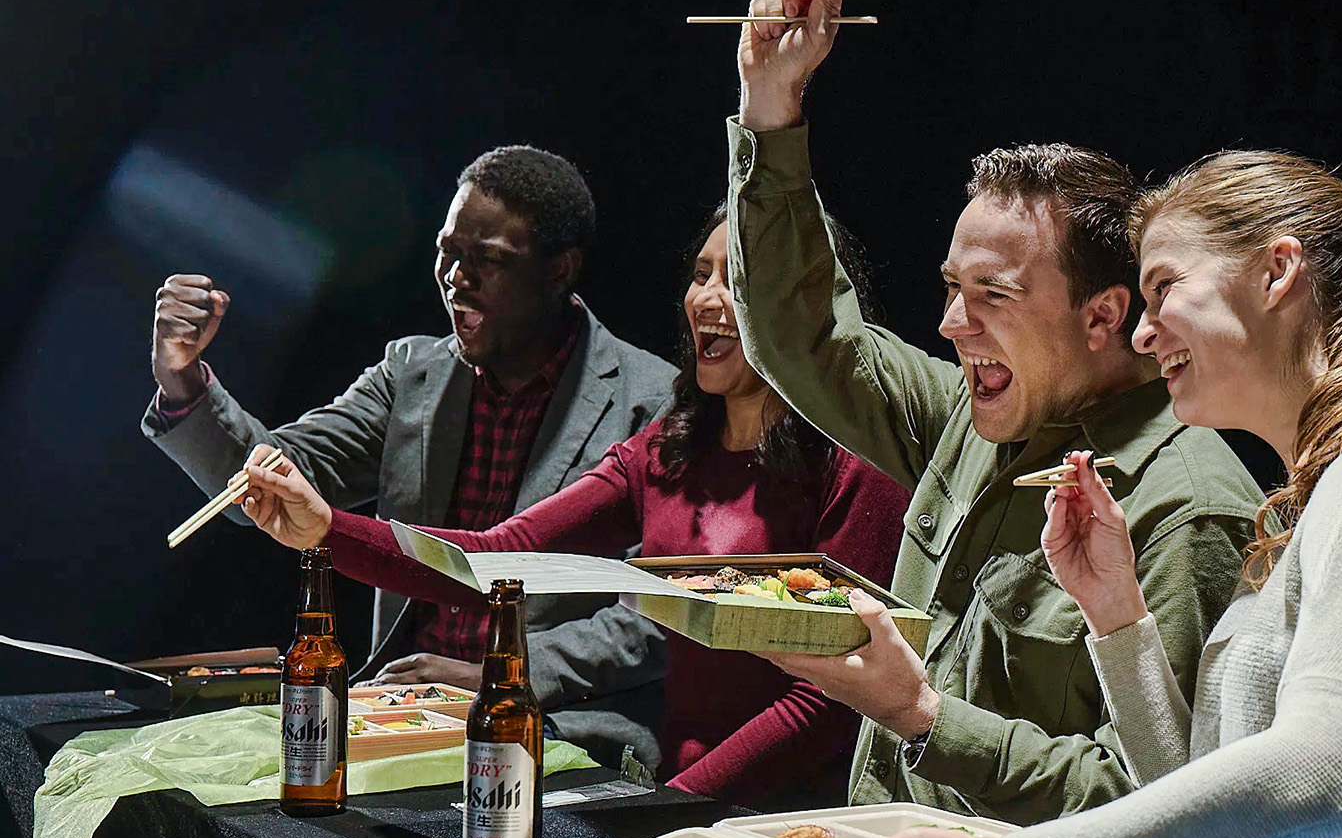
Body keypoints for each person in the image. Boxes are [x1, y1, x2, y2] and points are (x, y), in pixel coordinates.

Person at [807, 152, 1342, 838]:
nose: (1144, 334)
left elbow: (1324, 774)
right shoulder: (1318, 496)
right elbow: (1187, 801)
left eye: (1163, 290)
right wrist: (1117, 616)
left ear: (1276, 272)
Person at [727, 0, 1264, 825]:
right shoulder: (971, 417)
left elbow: (1160, 814)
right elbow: (805, 334)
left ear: (1103, 317)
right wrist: (770, 110)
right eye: (950, 288)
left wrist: (922, 717)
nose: (949, 326)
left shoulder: (1188, 507)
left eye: (993, 297)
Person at [236, 206, 912, 807]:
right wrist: (325, 529)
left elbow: (830, 699)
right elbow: (500, 560)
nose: (707, 298)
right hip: (674, 798)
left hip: (794, 820)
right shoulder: (667, 449)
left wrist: (674, 810)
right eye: (701, 274)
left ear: (806, 304)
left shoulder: (857, 462)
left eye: (736, 281)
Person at [143, 145, 677, 761]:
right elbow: (269, 484)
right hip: (402, 712)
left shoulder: (651, 401)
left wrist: (502, 674)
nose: (455, 277)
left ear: (559, 271)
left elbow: (654, 620)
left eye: (488, 261)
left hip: (557, 724)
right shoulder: (412, 373)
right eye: (447, 253)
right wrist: (181, 378)